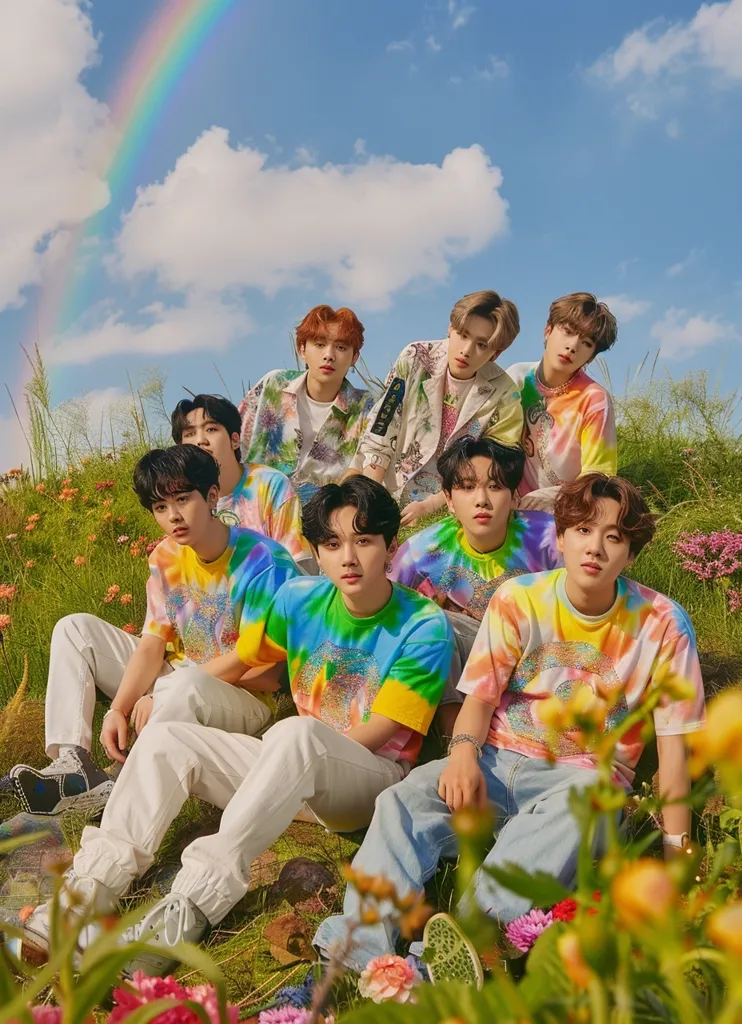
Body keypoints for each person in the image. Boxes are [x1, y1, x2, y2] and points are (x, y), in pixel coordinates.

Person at [20, 477, 454, 977]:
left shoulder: (423, 624)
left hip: (369, 781)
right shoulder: (301, 599)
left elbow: (380, 731)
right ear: (318, 550)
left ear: (388, 545)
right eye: (332, 544)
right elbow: (244, 659)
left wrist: (285, 757)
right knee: (167, 737)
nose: (348, 558)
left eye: (364, 540)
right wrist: (164, 695)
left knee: (296, 735)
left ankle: (189, 907)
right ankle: (88, 891)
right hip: (293, 767)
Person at [313, 473, 705, 974]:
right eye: (584, 531)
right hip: (496, 759)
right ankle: (354, 953)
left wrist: (677, 854)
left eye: (615, 537)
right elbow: (479, 697)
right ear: (560, 539)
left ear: (631, 554)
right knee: (402, 801)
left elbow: (674, 750)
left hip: (582, 780)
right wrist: (460, 754)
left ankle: (458, 955)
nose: (596, 549)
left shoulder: (664, 624)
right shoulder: (519, 598)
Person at [11, 446, 300, 816]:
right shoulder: (165, 557)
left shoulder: (264, 560)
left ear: (212, 496)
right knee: (74, 628)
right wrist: (119, 707)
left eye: (183, 499)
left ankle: (118, 783)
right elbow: (152, 644)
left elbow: (266, 671)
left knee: (185, 685)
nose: (174, 516)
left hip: (242, 699)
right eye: (161, 507)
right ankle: (74, 764)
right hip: (178, 679)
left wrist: (163, 693)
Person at [390, 436, 562, 735]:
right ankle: (451, 736)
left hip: (535, 649)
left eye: (495, 486)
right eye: (467, 488)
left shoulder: (549, 539)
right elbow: (384, 605)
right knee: (432, 622)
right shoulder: (423, 552)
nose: (481, 499)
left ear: (515, 497)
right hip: (464, 657)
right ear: (448, 500)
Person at [352, 290, 523, 528]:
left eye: (482, 345)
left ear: (496, 353)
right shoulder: (416, 357)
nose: (466, 350)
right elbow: (383, 424)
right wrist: (371, 493)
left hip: (453, 506)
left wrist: (431, 505)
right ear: (450, 329)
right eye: (463, 335)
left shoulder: (504, 393)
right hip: (387, 487)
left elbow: (494, 467)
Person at [239, 305, 374, 504]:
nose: (329, 355)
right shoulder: (274, 385)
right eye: (319, 345)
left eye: (341, 347)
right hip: (256, 500)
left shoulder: (366, 406)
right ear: (302, 349)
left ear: (354, 357)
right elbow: (235, 436)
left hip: (321, 512)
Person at [171, 393, 314, 570]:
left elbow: (296, 564)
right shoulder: (178, 497)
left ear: (235, 440)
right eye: (190, 433)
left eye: (211, 429)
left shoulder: (269, 485)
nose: (200, 440)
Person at [506, 293, 618, 512]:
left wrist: (553, 498)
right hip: (503, 504)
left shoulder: (594, 399)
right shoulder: (517, 379)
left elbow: (599, 475)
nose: (572, 346)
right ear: (548, 330)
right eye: (567, 332)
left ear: (591, 355)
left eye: (586, 343)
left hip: (564, 510)